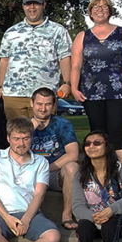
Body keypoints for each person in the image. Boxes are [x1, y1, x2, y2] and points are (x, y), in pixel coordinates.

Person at [71, 0, 122, 158]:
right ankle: (103, 174)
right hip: (91, 93)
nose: (99, 9)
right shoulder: (82, 36)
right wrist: (74, 88)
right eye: (95, 7)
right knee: (98, 134)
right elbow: (76, 65)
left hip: (121, 91)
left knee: (118, 130)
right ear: (90, 13)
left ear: (110, 11)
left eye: (103, 6)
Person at [0, 0, 72, 120]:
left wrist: (67, 83)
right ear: (23, 6)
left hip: (45, 95)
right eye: (28, 4)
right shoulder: (11, 32)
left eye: (36, 4)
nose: (32, 7)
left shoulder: (58, 31)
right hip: (14, 94)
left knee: (46, 135)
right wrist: (1, 86)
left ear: (43, 5)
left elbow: (65, 57)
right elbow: (4, 60)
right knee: (18, 135)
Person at [29, 87, 81, 228]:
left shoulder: (62, 124)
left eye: (47, 104)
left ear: (53, 105)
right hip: (29, 173)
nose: (43, 108)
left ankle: (67, 215)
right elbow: (14, 154)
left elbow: (73, 154)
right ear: (31, 103)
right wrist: (29, 130)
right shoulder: (24, 125)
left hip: (54, 172)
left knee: (72, 167)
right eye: (39, 104)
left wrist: (45, 169)